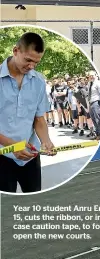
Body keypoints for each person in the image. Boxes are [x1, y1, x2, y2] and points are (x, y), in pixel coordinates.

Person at [0, 32, 55, 193]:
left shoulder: (38, 81)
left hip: (30, 155)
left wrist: (46, 141)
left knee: (34, 200)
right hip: (3, 154)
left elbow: (38, 119)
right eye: (28, 60)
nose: (31, 66)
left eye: (36, 63)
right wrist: (12, 146)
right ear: (15, 50)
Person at [87, 71, 100, 140]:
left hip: (96, 102)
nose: (91, 77)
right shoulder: (90, 83)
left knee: (98, 119)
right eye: (90, 75)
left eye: (92, 75)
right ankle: (97, 133)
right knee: (93, 119)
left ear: (96, 75)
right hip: (91, 102)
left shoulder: (98, 83)